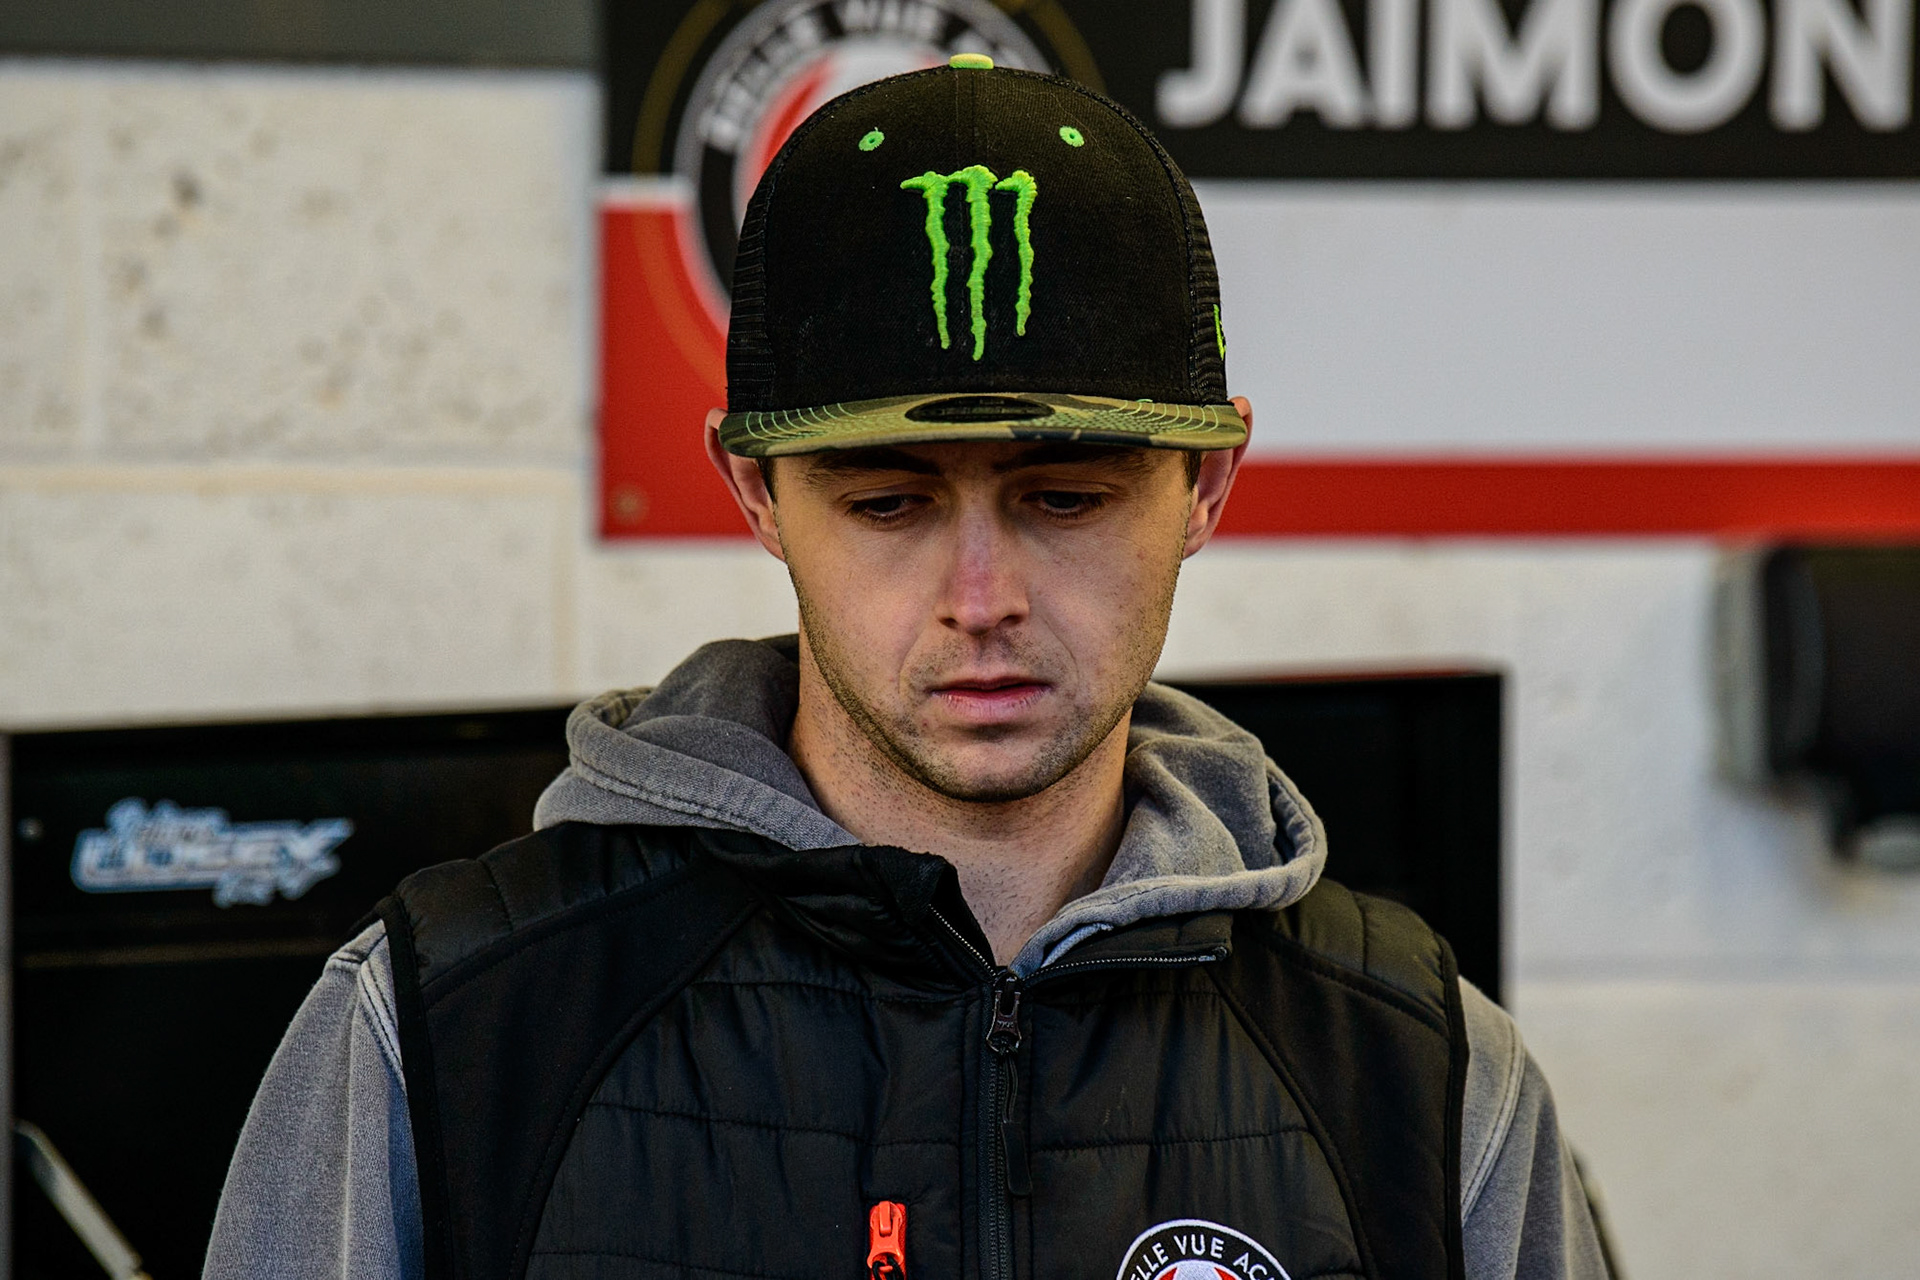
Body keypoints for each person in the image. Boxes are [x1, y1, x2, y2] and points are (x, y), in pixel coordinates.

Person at [205, 58, 1608, 1280]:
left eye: (1066, 498)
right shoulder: (444, 1034)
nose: (979, 600)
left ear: (1208, 485)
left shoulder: (1425, 1078)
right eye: (888, 504)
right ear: (757, 493)